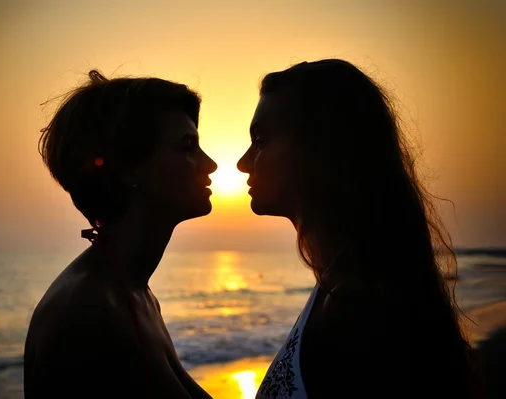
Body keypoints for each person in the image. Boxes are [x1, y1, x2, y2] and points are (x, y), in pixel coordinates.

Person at [237, 59, 480, 398]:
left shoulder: (360, 307)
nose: (243, 162)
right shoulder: (342, 283)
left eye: (260, 140)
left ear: (320, 150)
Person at [24, 70, 217, 398]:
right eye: (187, 147)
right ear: (128, 169)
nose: (209, 164)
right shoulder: (90, 313)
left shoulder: (133, 291)